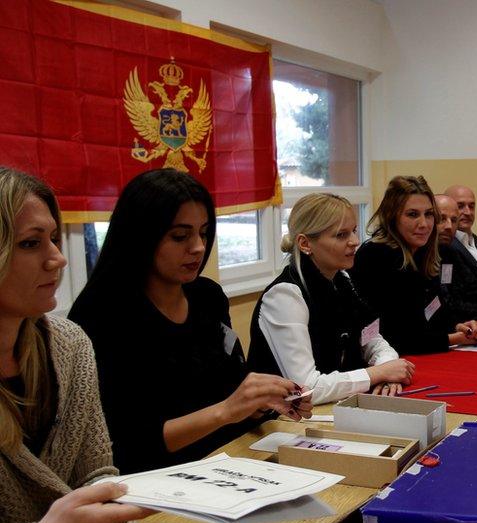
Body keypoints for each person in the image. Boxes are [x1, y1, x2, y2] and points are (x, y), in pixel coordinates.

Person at [69, 169, 311, 474]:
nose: (197, 247)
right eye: (180, 236)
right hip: (157, 483)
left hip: (230, 460)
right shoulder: (102, 315)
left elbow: (228, 390)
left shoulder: (207, 297)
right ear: (141, 236)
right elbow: (126, 444)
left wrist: (261, 402)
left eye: (204, 232)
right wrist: (227, 410)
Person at [0, 167, 153, 523]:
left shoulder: (69, 345)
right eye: (31, 244)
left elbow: (99, 474)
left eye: (54, 239)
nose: (58, 259)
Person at [248, 193, 416, 400]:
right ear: (305, 244)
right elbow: (306, 388)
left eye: (354, 231)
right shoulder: (284, 296)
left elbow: (373, 340)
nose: (355, 241)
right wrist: (377, 373)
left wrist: (387, 368)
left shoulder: (342, 280)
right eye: (341, 235)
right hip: (282, 419)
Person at [350, 176, 477, 354]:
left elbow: (433, 312)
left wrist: (459, 326)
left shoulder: (424, 251)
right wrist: (456, 338)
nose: (424, 224)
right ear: (392, 216)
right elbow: (398, 336)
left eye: (429, 214)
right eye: (412, 214)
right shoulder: (377, 256)